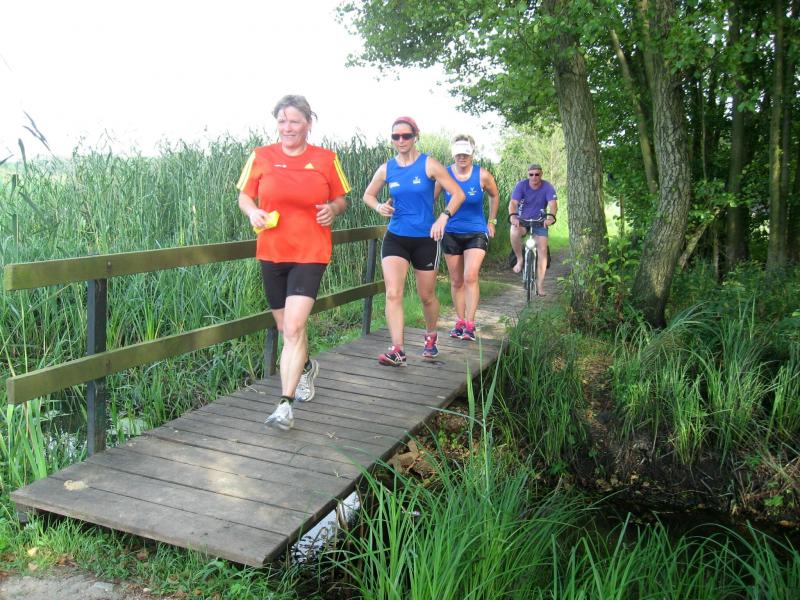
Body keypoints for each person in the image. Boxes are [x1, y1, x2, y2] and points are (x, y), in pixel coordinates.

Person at [236, 94, 351, 430]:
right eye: (282, 121)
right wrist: (252, 212)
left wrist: (333, 209)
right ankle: (306, 368)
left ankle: (285, 406)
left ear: (308, 124)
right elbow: (244, 196)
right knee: (285, 327)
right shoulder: (261, 156)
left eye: (295, 121)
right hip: (272, 251)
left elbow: (341, 199)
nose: (287, 127)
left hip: (310, 253)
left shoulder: (326, 159)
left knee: (294, 327)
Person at [363, 116, 465, 366]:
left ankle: (430, 336)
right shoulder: (387, 168)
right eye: (396, 136)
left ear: (415, 136)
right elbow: (368, 195)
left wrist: (443, 217)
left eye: (406, 136)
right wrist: (379, 206)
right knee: (393, 293)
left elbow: (458, 194)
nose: (401, 140)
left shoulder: (429, 164)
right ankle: (397, 349)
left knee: (426, 296)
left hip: (425, 239)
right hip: (396, 237)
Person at [434, 135, 499, 341]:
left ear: (472, 154)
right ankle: (460, 321)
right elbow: (430, 198)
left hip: (476, 232)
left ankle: (470, 324)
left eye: (466, 154)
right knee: (456, 280)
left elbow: (494, 195)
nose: (462, 157)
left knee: (470, 276)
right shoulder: (444, 174)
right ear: (453, 154)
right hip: (451, 232)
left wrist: (491, 221)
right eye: (458, 154)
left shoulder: (483, 175)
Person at [509, 163, 557, 296]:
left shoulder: (547, 187)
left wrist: (550, 218)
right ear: (528, 175)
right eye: (531, 174)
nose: (534, 177)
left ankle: (540, 285)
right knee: (513, 231)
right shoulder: (521, 185)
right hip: (523, 221)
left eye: (537, 174)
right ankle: (519, 259)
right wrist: (513, 216)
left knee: (542, 250)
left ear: (541, 174)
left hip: (540, 222)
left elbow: (553, 205)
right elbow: (513, 203)